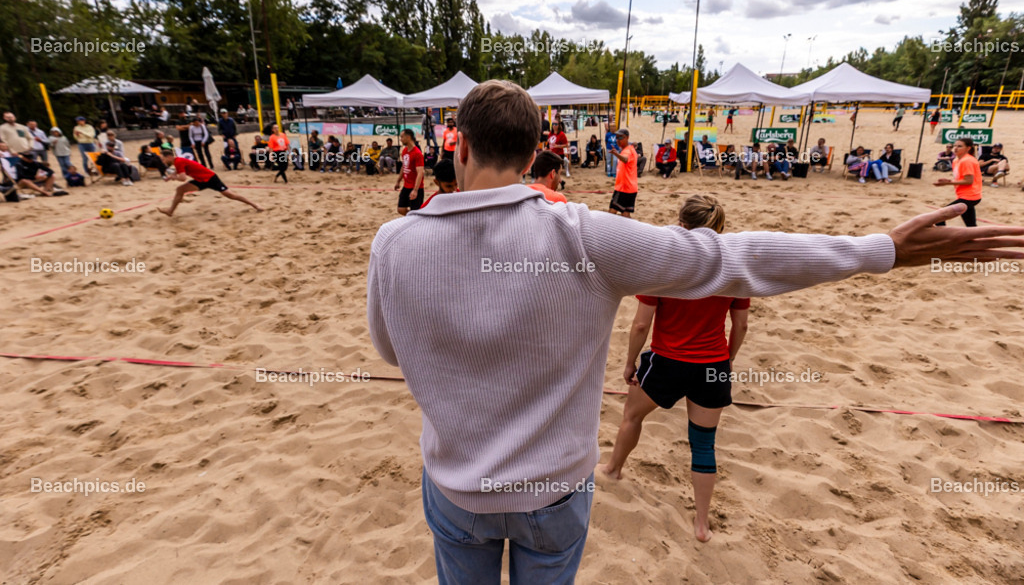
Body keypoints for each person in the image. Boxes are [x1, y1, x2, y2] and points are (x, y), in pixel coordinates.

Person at [366, 79, 1024, 585]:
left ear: (459, 143)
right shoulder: (583, 234)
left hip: (457, 487)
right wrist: (876, 249)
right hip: (553, 489)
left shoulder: (395, 243)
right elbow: (735, 256)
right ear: (540, 150)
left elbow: (391, 351)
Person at [601, 194, 747, 542]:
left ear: (681, 224)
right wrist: (727, 361)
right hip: (712, 365)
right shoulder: (733, 269)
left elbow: (640, 326)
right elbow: (740, 326)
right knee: (703, 445)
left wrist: (629, 363)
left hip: (669, 361)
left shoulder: (664, 266)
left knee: (632, 417)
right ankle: (701, 524)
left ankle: (613, 470)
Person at [157, 149, 262, 216]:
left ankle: (255, 205)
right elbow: (179, 171)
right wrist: (171, 177)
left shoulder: (178, 161)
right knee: (180, 190)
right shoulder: (178, 161)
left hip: (210, 178)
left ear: (169, 157)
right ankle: (170, 211)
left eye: (163, 159)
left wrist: (174, 178)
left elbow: (183, 178)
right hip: (200, 180)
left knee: (230, 195)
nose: (163, 162)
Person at [934, 138, 983, 227]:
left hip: (969, 197)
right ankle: (974, 239)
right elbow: (961, 178)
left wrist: (948, 183)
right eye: (955, 146)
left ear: (968, 148)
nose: (955, 148)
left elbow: (969, 181)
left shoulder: (967, 161)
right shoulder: (956, 160)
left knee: (939, 217)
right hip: (965, 195)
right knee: (971, 225)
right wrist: (948, 181)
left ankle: (945, 239)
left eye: (959, 146)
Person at [608, 129, 638, 217]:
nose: (618, 140)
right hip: (631, 188)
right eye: (617, 138)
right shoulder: (630, 149)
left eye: (621, 137)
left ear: (627, 138)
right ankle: (631, 231)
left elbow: (625, 159)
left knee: (611, 212)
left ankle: (607, 230)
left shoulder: (627, 151)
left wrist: (616, 154)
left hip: (623, 188)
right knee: (625, 213)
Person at [396, 129, 425, 215]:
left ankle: (416, 220)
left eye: (402, 137)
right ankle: (413, 218)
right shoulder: (405, 151)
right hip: (406, 186)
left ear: (408, 137)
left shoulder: (417, 153)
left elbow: (420, 172)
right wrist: (398, 181)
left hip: (416, 188)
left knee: (415, 211)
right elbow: (403, 167)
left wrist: (415, 190)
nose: (400, 139)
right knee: (401, 209)